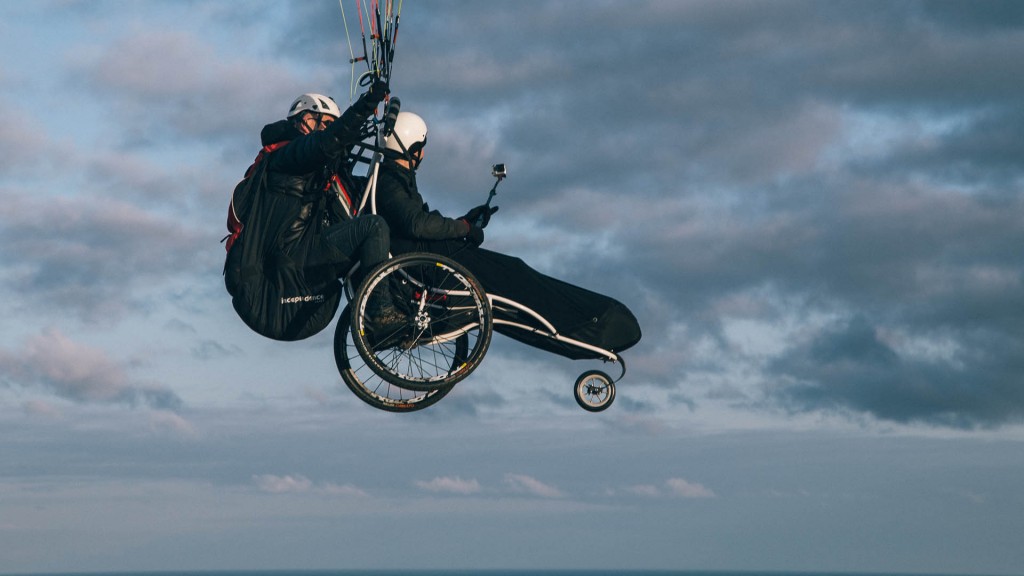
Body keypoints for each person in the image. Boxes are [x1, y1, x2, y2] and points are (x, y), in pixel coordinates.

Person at [372, 111, 641, 357]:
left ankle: (589, 327)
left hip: (437, 258)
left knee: (514, 281)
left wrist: (465, 222)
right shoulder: (391, 181)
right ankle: (594, 325)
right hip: (432, 266)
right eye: (423, 148)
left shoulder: (395, 180)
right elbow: (417, 225)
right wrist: (464, 228)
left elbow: (419, 225)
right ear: (413, 148)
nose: (424, 155)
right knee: (516, 275)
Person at [225, 82, 406, 340]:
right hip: (288, 264)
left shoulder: (309, 164)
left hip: (296, 256)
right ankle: (380, 316)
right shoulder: (286, 155)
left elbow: (335, 149)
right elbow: (327, 143)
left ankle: (391, 313)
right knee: (372, 226)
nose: (329, 130)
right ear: (307, 119)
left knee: (368, 224)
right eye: (326, 123)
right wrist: (367, 104)